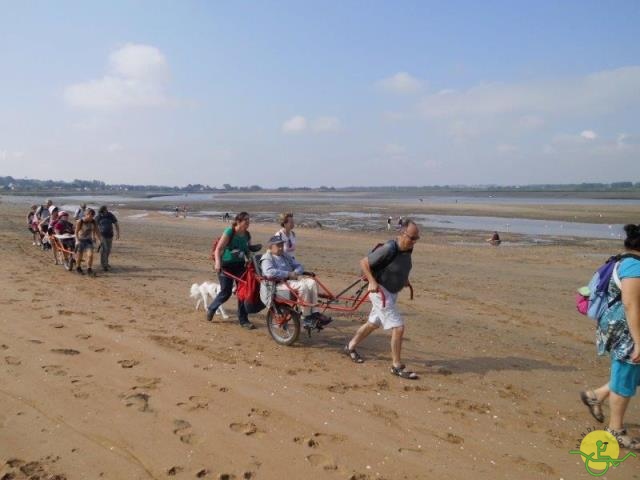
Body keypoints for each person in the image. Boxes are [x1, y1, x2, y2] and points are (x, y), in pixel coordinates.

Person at [580, 224, 640, 450]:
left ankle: (595, 395)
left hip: (619, 326)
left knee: (629, 373)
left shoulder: (623, 259)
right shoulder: (634, 266)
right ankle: (615, 430)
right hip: (626, 330)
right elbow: (630, 304)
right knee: (625, 377)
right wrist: (638, 341)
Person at [344, 218, 420, 380]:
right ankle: (396, 366)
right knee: (398, 327)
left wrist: (404, 279)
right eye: (412, 238)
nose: (414, 242)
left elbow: (402, 264)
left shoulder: (407, 248)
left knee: (373, 324)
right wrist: (372, 281)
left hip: (392, 292)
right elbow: (364, 262)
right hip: (380, 291)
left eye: (416, 238)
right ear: (402, 233)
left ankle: (350, 347)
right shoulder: (389, 248)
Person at [260, 235, 331, 328]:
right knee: (303, 286)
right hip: (276, 284)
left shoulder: (285, 255)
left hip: (290, 281)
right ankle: (306, 317)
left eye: (282, 245)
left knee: (312, 282)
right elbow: (269, 273)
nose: (281, 248)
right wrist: (288, 274)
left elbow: (299, 265)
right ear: (270, 247)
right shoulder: (267, 258)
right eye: (278, 246)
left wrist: (295, 272)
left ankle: (315, 312)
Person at [206, 212, 256, 329]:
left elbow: (248, 250)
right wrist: (217, 263)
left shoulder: (247, 235)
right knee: (226, 292)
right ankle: (212, 308)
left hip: (239, 265)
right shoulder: (230, 231)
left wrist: (249, 260)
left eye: (249, 221)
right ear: (238, 221)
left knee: (243, 292)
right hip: (226, 265)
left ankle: (243, 320)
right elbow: (218, 249)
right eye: (246, 221)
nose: (248, 223)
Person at [74, 208, 101, 276]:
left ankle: (89, 269)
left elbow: (97, 231)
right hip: (80, 240)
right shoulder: (80, 221)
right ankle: (78, 267)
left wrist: (100, 240)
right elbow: (76, 232)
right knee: (79, 256)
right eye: (90, 216)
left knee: (90, 255)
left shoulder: (93, 221)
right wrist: (77, 240)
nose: (91, 217)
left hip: (88, 240)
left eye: (92, 216)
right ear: (86, 214)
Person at [95, 205, 120, 272]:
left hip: (110, 235)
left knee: (108, 250)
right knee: (104, 250)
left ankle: (106, 262)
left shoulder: (110, 215)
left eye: (107, 210)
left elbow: (116, 223)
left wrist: (118, 233)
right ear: (103, 210)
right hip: (102, 235)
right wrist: (95, 236)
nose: (107, 210)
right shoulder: (98, 217)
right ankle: (104, 265)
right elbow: (95, 226)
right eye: (105, 209)